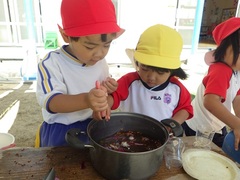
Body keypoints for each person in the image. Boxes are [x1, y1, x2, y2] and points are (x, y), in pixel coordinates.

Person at [35, 0, 124, 147]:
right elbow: (52, 102)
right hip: (62, 130)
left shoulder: (100, 61)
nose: (100, 53)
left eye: (107, 45)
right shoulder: (52, 63)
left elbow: (99, 92)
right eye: (90, 46)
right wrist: (87, 100)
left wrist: (106, 93)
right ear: (66, 36)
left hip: (93, 123)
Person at [95, 24, 193, 128]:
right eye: (145, 69)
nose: (151, 77)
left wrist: (172, 124)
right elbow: (113, 97)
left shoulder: (176, 88)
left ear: (172, 71)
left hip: (163, 137)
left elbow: (185, 109)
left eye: (160, 73)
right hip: (130, 132)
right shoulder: (129, 81)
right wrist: (105, 106)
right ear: (138, 63)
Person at [182, 17, 240, 149]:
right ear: (225, 49)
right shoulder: (221, 69)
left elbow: (237, 98)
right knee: (201, 156)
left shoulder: (237, 71)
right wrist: (236, 124)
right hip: (199, 127)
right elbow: (210, 101)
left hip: (216, 125)